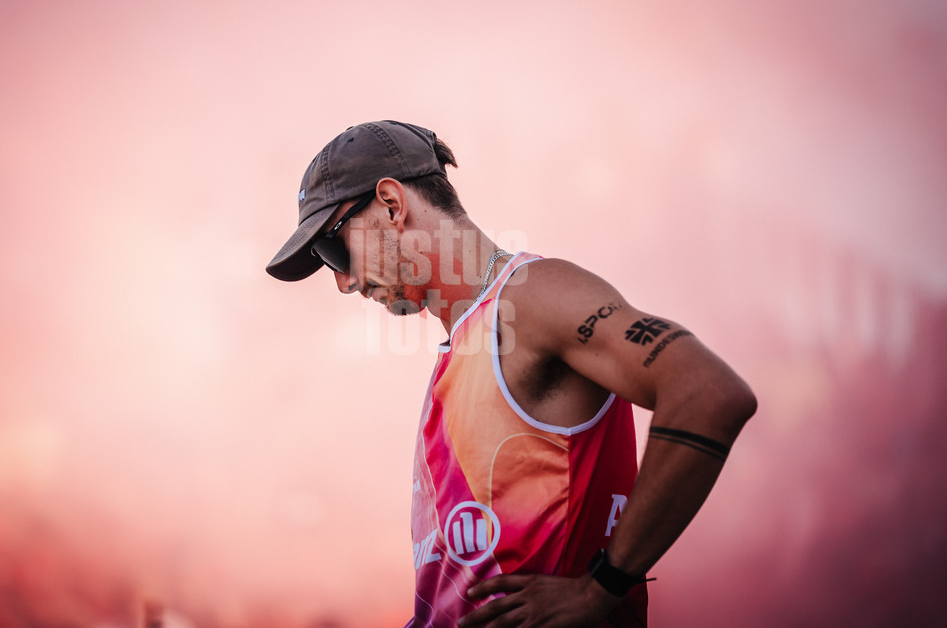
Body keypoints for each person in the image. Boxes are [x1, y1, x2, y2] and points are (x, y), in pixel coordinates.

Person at [267, 120, 756, 627]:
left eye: (333, 250)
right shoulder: (464, 345)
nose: (343, 282)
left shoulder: (530, 297)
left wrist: (600, 588)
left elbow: (710, 393)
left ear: (391, 204)